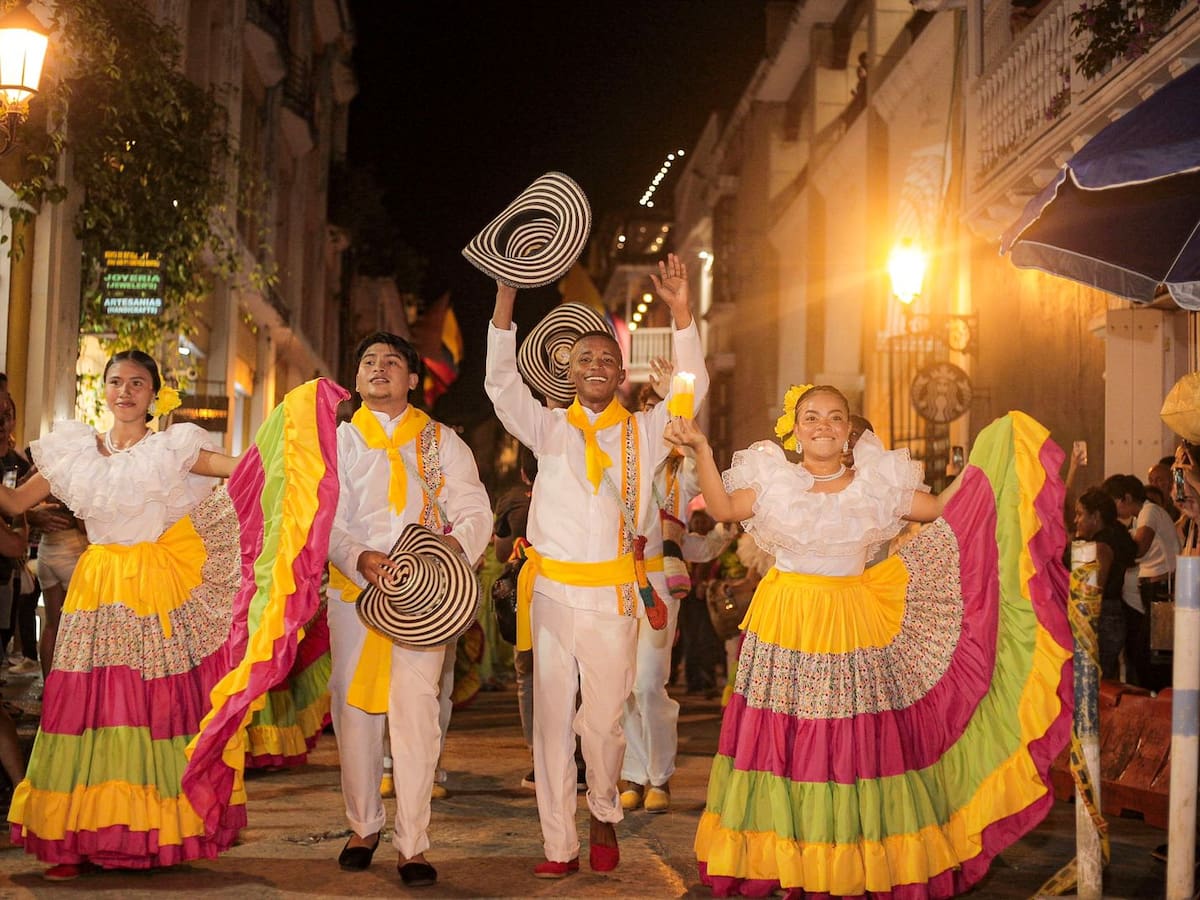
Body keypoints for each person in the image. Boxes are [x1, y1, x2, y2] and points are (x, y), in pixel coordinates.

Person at [665, 384, 1072, 898]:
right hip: (786, 620)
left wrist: (988, 461)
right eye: (811, 417)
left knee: (851, 742)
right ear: (794, 427)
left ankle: (848, 859)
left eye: (835, 418)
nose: (823, 426)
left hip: (854, 619)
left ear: (848, 430)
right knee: (784, 740)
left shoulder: (876, 486)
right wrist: (701, 448)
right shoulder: (773, 481)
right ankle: (787, 855)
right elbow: (722, 508)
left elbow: (947, 509)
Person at [485, 252, 708, 878]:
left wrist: (682, 313)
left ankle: (603, 808)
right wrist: (505, 303)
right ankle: (560, 844)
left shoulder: (646, 429)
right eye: (585, 358)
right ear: (565, 367)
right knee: (552, 724)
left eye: (608, 358)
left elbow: (691, 390)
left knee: (604, 724)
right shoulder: (549, 429)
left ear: (621, 370)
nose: (597, 366)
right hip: (553, 594)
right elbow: (501, 388)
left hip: (614, 599)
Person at [1, 350, 243, 879]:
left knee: (141, 706)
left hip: (152, 590)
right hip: (95, 587)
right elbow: (16, 505)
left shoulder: (173, 449)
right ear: (103, 390)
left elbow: (245, 469)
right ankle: (71, 840)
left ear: (154, 394)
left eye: (137, 383)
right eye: (115, 382)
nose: (125, 391)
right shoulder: (74, 453)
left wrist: (296, 446)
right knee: (81, 709)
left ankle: (143, 835)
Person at [326, 331, 491, 889]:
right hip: (354, 593)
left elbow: (474, 509)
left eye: (391, 362)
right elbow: (326, 518)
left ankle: (413, 843)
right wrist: (359, 557)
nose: (378, 368)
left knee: (417, 714)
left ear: (412, 379)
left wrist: (445, 561)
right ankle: (362, 826)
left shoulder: (443, 442)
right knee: (354, 713)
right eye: (368, 361)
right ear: (356, 379)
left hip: (425, 597)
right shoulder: (339, 443)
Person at [619, 376, 697, 815]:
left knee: (649, 682)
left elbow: (701, 462)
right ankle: (633, 772)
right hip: (614, 582)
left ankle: (660, 775)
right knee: (622, 684)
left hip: (660, 583)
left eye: (664, 410)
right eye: (650, 408)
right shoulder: (622, 459)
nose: (658, 417)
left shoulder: (678, 471)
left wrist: (681, 401)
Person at [1103, 473, 1177, 689]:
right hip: (1153, 588)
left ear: (1125, 498)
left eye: (1114, 504)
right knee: (1144, 652)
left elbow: (1139, 548)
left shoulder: (1149, 512)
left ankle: (1159, 699)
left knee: (1153, 653)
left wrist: (1113, 537)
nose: (1114, 512)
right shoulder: (1139, 516)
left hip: (1163, 589)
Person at [1074, 488, 1139, 678]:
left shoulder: (1102, 545)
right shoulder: (1115, 534)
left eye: (1080, 514)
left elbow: (1093, 590)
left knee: (1095, 678)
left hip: (1102, 616)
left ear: (1095, 517)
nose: (1076, 520)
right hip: (1112, 613)